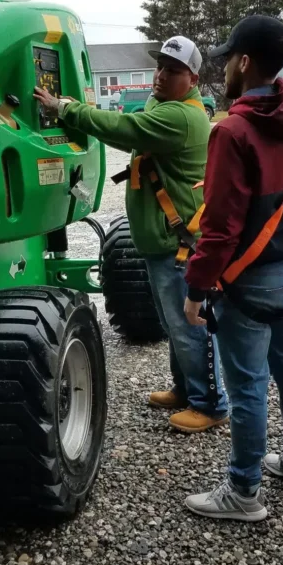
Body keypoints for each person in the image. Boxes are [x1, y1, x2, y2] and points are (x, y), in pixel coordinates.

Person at [33, 36, 229, 433]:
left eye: (173, 71)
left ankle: (211, 404)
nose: (161, 76)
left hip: (178, 244)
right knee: (173, 323)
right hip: (163, 241)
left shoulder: (181, 117)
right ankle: (186, 389)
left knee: (189, 325)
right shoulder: (165, 104)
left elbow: (126, 128)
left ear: (193, 79)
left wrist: (66, 109)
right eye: (160, 67)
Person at [180, 15, 283, 522]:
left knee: (246, 387)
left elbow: (220, 227)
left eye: (228, 60)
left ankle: (243, 491)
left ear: (244, 63)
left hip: (247, 280)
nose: (223, 70)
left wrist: (196, 288)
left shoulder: (232, 131)